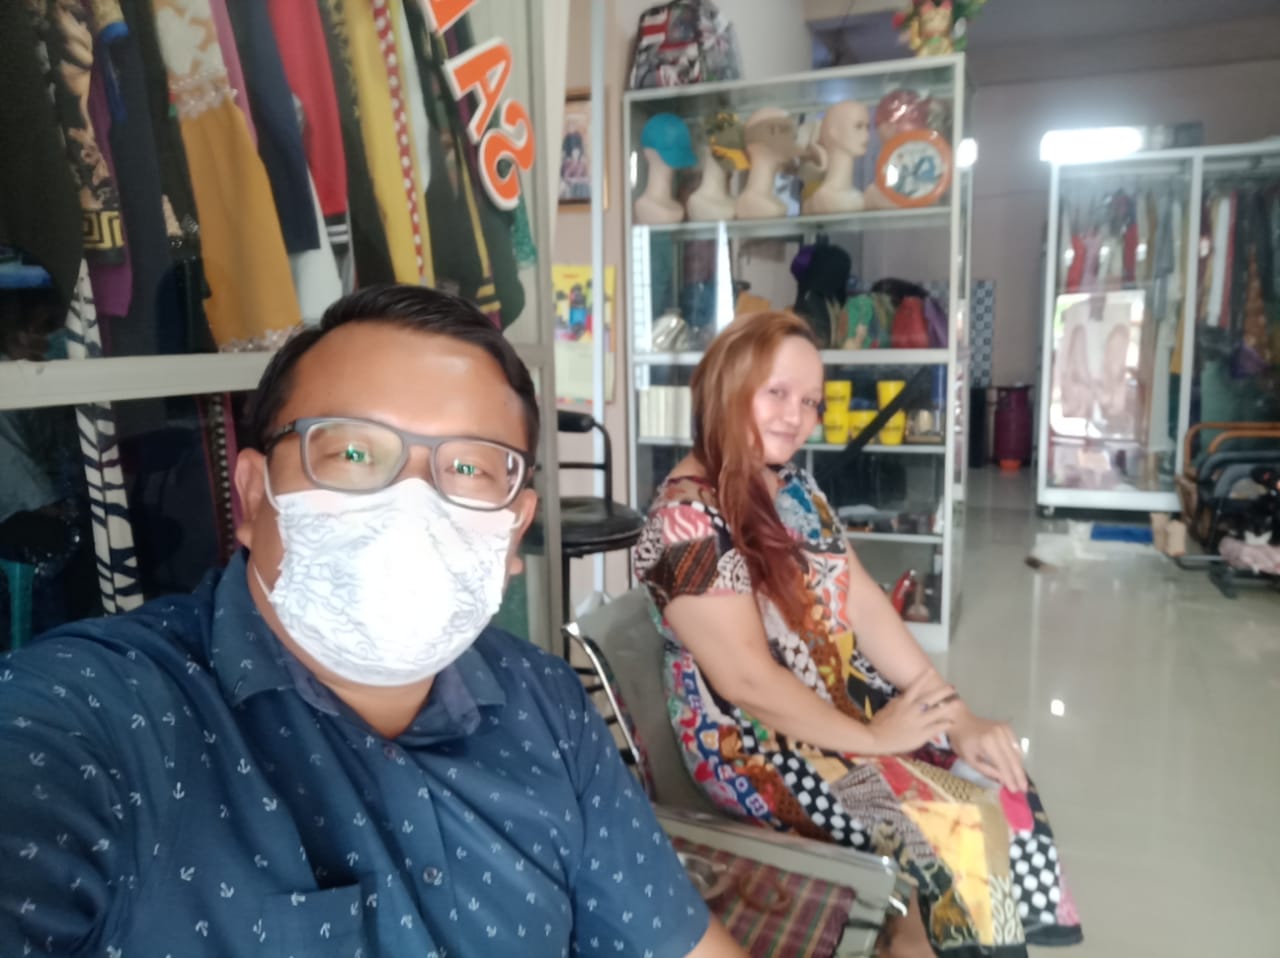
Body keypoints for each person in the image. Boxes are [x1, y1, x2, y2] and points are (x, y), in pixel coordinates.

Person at [0, 285, 744, 958]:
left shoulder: (546, 704)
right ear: (254, 496)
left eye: (469, 468)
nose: (411, 506)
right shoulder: (98, 722)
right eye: (353, 452)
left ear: (514, 531)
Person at [633, 311, 1083, 957]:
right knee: (955, 828)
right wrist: (875, 739)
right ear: (728, 386)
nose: (797, 416)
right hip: (756, 748)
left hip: (839, 705)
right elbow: (748, 682)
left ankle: (925, 936)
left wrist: (955, 715)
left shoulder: (791, 487)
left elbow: (865, 605)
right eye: (777, 392)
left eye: (810, 402)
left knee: (996, 779)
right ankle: (928, 937)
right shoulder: (687, 522)